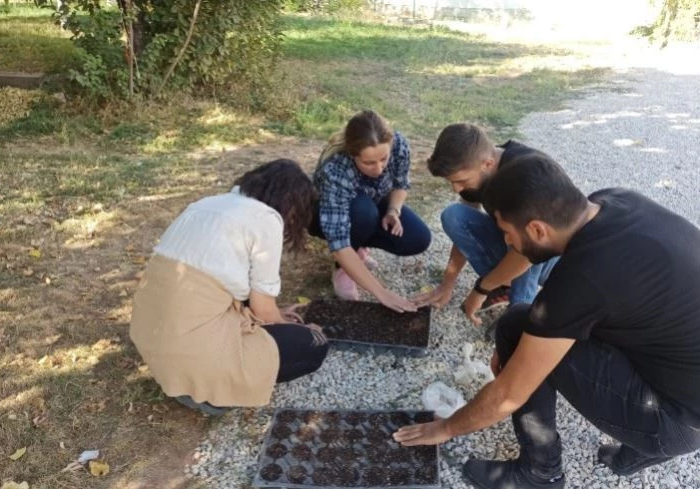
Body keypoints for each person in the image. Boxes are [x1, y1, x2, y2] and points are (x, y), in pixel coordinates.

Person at [394, 154, 700, 489]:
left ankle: (540, 476)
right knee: (552, 330)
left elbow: (508, 395)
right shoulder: (612, 201)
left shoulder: (581, 281)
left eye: (509, 236)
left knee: (515, 325)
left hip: (678, 420)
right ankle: (636, 451)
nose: (509, 246)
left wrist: (445, 428)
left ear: (538, 229)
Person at [130, 160, 330, 416]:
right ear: (292, 206)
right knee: (314, 346)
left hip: (154, 342)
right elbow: (264, 311)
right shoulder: (266, 218)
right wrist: (295, 326)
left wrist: (277, 313)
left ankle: (189, 378)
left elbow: (216, 283)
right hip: (194, 354)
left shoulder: (203, 205)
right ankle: (213, 392)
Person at [415, 123, 560, 325]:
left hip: (555, 260)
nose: (456, 189)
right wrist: (447, 283)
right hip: (520, 245)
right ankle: (504, 287)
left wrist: (481, 289)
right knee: (454, 216)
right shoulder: (477, 165)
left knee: (525, 245)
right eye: (452, 182)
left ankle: (519, 319)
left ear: (488, 164)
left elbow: (528, 254)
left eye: (462, 181)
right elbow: (465, 230)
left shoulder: (524, 181)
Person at [310, 110, 431, 312]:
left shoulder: (398, 144)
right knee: (363, 213)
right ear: (352, 154)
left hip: (372, 205)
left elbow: (401, 184)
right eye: (369, 163)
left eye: (384, 159)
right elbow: (338, 241)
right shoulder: (336, 169)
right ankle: (344, 268)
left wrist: (393, 210)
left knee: (418, 238)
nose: (379, 169)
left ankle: (359, 245)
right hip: (329, 216)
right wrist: (383, 294)